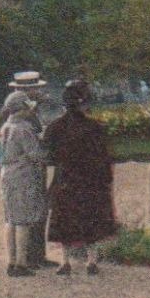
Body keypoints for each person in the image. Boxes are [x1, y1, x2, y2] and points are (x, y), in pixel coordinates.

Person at [43, 78, 117, 275]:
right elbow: (105, 157)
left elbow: (49, 155)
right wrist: (106, 179)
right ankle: (91, 261)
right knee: (91, 219)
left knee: (65, 220)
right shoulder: (95, 128)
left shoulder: (55, 127)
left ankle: (65, 261)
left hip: (66, 179)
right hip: (90, 180)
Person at [0, 70, 56, 270]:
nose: (38, 91)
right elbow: (34, 151)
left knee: (16, 216)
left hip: (11, 171)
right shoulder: (22, 121)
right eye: (34, 88)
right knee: (26, 216)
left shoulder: (10, 119)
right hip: (25, 171)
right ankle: (26, 259)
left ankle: (26, 257)